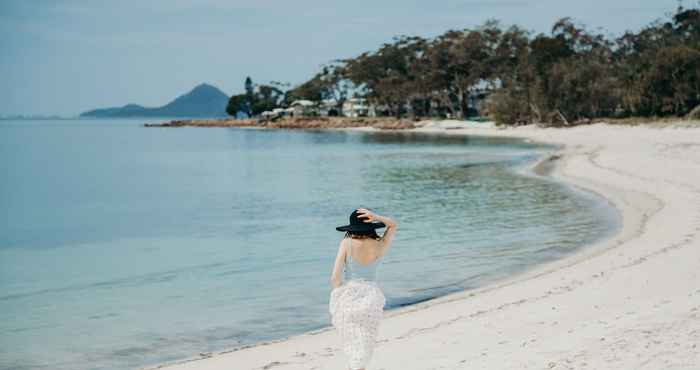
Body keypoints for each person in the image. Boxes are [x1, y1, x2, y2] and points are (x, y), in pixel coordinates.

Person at [329, 207, 398, 370]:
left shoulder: (346, 243)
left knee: (353, 343)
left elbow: (335, 277)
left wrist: (338, 294)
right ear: (370, 225)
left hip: (351, 295)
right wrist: (376, 217)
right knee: (365, 342)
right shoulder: (380, 244)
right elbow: (393, 225)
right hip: (372, 297)